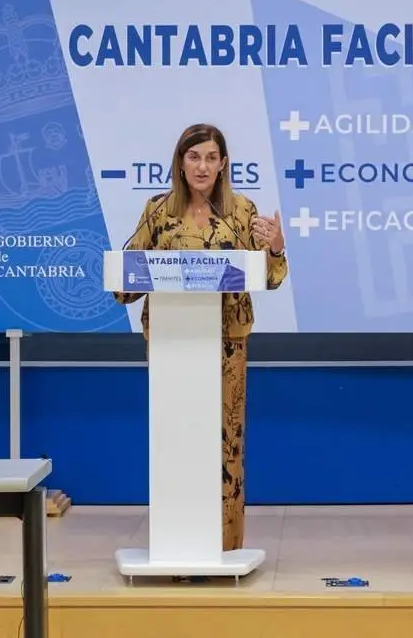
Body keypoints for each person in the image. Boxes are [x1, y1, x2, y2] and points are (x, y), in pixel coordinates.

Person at [114, 123, 288, 552]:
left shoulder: (243, 211)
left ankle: (223, 546)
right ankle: (175, 542)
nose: (203, 166)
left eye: (211, 158)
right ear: (180, 162)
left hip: (226, 343)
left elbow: (269, 277)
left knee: (224, 444)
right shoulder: (157, 211)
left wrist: (277, 248)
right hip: (172, 344)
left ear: (224, 164)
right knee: (177, 438)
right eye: (194, 157)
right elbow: (127, 284)